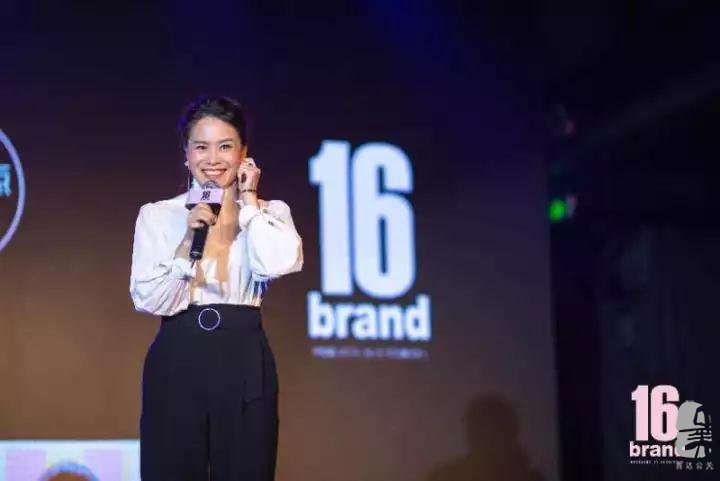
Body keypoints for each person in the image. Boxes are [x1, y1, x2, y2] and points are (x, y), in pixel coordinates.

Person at [129, 95, 303, 481]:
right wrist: (185, 242)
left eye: (225, 146)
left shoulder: (270, 213)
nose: (213, 159)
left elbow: (277, 264)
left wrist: (249, 204)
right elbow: (149, 299)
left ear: (244, 154)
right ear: (186, 154)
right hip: (178, 356)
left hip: (243, 355)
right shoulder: (158, 214)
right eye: (201, 147)